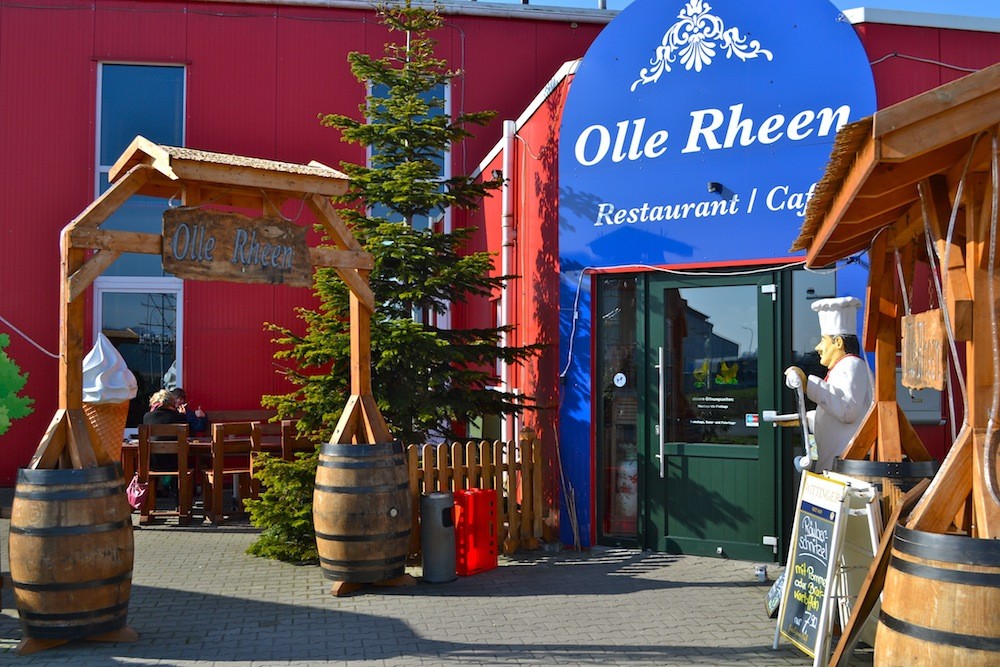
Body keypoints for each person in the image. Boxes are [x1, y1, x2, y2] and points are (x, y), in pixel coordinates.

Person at [784, 297, 873, 472]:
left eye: (823, 340)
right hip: (839, 466)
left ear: (838, 342)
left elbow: (847, 411)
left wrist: (807, 384)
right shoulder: (844, 367)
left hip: (847, 467)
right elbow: (836, 411)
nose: (818, 347)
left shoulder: (852, 365)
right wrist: (804, 418)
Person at [141, 389, 188, 492]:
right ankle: (180, 498)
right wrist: (182, 415)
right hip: (175, 463)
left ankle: (151, 499)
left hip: (153, 462)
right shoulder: (179, 417)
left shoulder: (147, 417)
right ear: (171, 402)